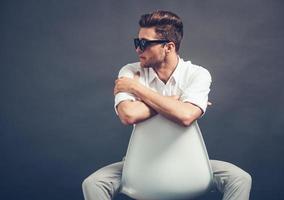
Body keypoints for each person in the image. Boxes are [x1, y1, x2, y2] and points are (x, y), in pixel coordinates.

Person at [82, 10, 252, 200]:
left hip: (189, 160)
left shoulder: (197, 74)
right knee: (93, 183)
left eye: (144, 43)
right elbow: (128, 115)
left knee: (240, 179)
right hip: (140, 162)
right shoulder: (130, 70)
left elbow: (186, 117)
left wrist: (137, 89)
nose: (138, 49)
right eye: (137, 42)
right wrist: (174, 102)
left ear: (169, 47)